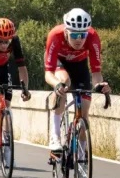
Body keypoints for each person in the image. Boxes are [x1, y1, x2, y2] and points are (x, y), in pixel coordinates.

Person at [44, 8, 111, 151]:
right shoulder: (55, 35)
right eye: (74, 34)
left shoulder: (93, 38)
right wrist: (57, 84)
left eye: (82, 34)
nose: (79, 39)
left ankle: (81, 156)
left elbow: (96, 72)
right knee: (64, 82)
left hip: (80, 66)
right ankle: (55, 136)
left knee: (84, 115)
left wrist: (100, 84)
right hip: (60, 63)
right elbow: (48, 73)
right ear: (66, 31)